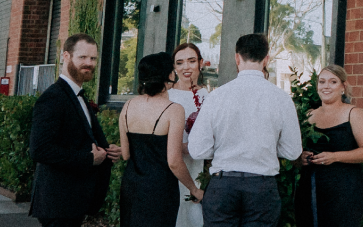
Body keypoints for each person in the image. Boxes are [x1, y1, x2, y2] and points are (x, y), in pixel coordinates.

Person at [187, 33, 301, 227]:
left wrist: (223, 147)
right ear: (266, 59)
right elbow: (293, 151)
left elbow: (197, 149)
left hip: (223, 185)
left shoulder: (217, 97)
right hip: (262, 186)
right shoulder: (281, 98)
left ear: (237, 57)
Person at [28, 34, 121, 227]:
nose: (89, 63)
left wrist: (107, 150)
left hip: (73, 201)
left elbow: (79, 137)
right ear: (66, 57)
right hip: (58, 202)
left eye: (93, 58)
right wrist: (88, 159)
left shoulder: (77, 95)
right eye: (83, 57)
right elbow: (40, 149)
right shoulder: (53, 98)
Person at [118, 53, 205, 227]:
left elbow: (126, 154)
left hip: (131, 185)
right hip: (159, 188)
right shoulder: (173, 110)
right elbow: (173, 161)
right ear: (170, 75)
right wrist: (194, 189)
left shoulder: (128, 105)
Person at [295, 65, 363, 227]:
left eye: (333, 82)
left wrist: (335, 157)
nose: (326, 86)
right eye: (322, 82)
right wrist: (301, 158)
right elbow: (296, 152)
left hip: (344, 193)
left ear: (343, 87)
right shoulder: (309, 116)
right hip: (311, 190)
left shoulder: (353, 114)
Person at [169, 43, 210, 227]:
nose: (186, 67)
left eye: (191, 61)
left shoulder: (207, 96)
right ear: (174, 67)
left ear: (200, 63)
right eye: (180, 62)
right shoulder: (168, 96)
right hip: (174, 168)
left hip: (200, 166)